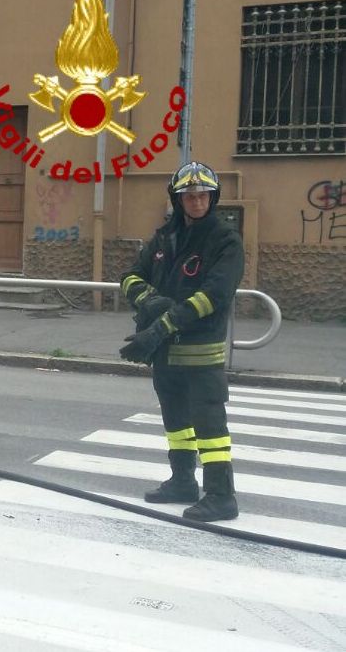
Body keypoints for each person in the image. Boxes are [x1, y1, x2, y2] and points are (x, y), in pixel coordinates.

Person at [118, 161, 244, 522]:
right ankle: (183, 481)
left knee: (210, 427)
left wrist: (164, 324)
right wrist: (148, 300)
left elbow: (214, 295)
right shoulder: (164, 238)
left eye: (203, 195)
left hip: (200, 353)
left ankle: (221, 496)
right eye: (189, 196)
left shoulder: (224, 240)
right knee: (176, 422)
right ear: (178, 199)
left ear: (213, 197)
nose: (197, 202)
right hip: (166, 355)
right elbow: (130, 277)